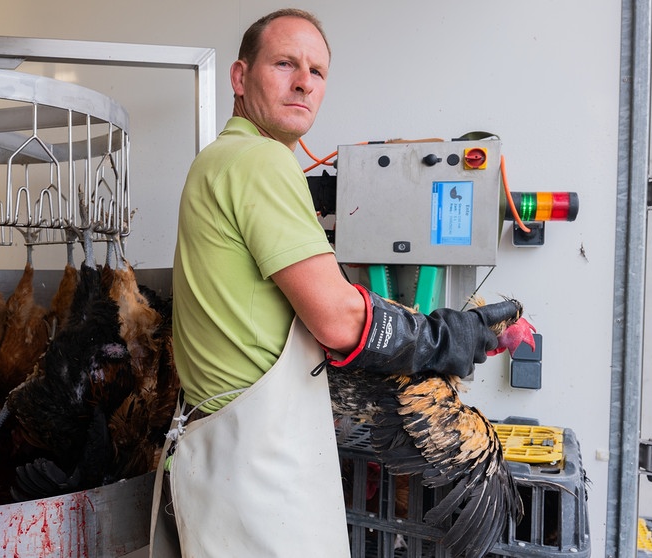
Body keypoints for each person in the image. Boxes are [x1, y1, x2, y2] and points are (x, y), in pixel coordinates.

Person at [150, 8, 508, 557]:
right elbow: (338, 320)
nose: (303, 82)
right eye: (285, 63)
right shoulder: (260, 161)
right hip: (260, 473)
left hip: (226, 458)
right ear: (240, 78)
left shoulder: (217, 161)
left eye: (316, 71)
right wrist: (445, 338)